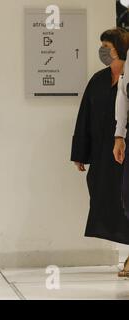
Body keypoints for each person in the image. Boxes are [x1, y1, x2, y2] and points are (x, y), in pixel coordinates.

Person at [72, 28, 129, 277]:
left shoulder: (128, 75)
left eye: (108, 46)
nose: (103, 51)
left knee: (126, 200)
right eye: (102, 46)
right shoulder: (98, 79)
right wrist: (80, 153)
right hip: (104, 155)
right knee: (106, 202)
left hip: (125, 153)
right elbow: (84, 116)